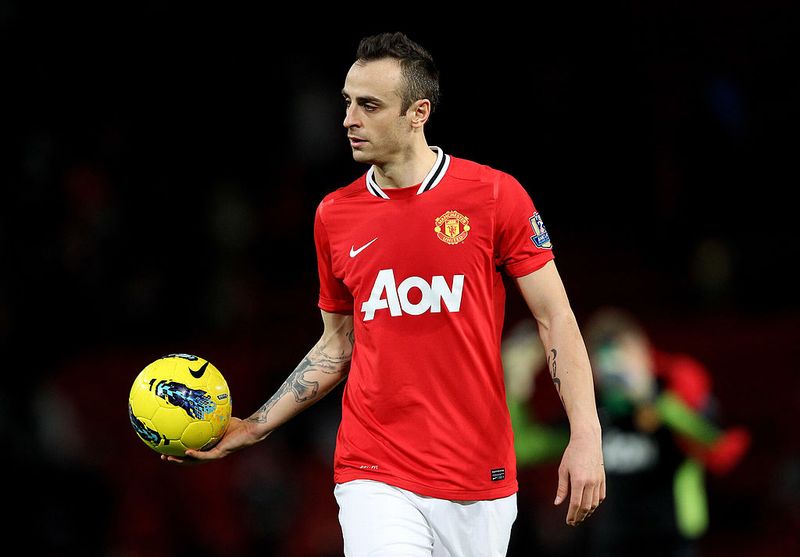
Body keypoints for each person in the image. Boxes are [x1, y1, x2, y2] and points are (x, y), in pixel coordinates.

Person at [164, 31, 605, 556]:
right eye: (347, 102)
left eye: (369, 105)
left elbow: (556, 318)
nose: (349, 119)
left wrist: (586, 434)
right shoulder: (335, 215)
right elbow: (338, 343)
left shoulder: (493, 196)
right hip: (373, 467)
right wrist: (255, 427)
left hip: (477, 473)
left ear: (418, 113)